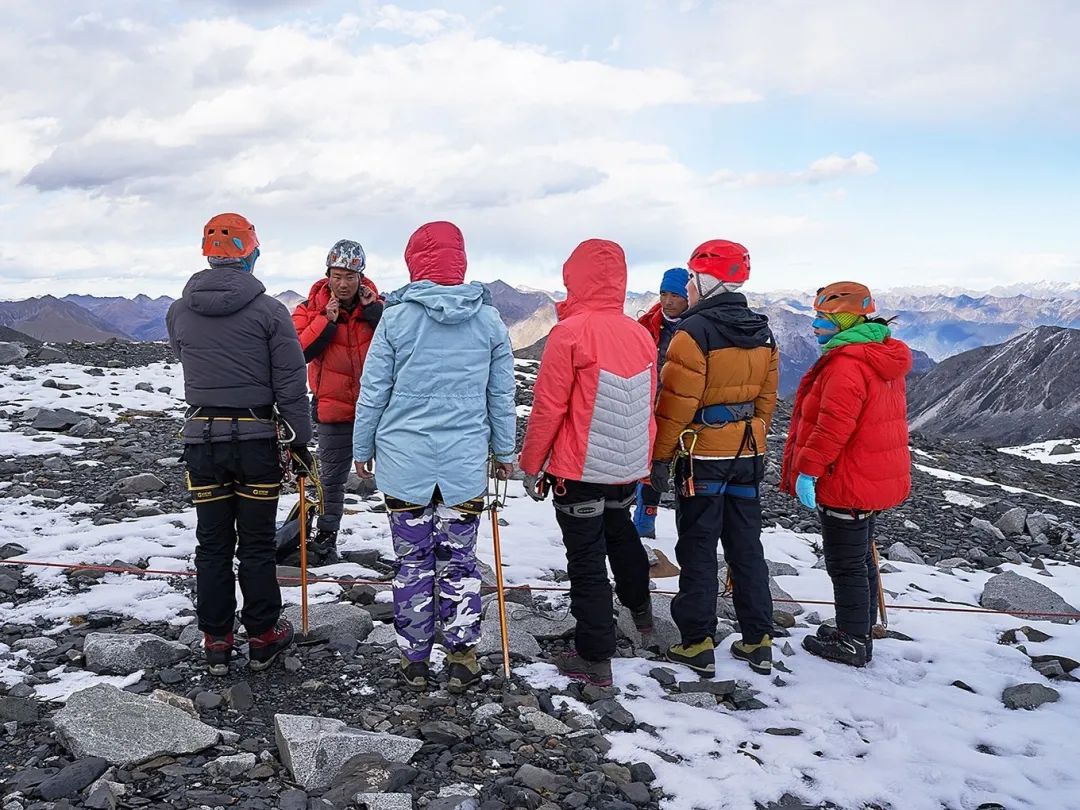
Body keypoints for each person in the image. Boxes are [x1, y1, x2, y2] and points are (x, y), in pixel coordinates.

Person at [352, 221, 516, 693]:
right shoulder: (487, 320)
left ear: (414, 261)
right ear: (459, 260)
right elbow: (499, 396)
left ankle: (415, 659)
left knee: (412, 562)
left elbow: (374, 391)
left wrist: (363, 449)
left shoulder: (397, 318)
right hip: (464, 466)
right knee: (461, 562)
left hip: (404, 463)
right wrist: (504, 451)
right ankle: (463, 656)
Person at [167, 212, 313, 675]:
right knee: (255, 543)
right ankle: (263, 637)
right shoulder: (270, 312)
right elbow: (290, 384)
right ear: (250, 250)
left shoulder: (178, 311)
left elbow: (186, 358)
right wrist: (300, 444)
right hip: (255, 443)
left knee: (211, 543)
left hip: (202, 440)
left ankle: (216, 640)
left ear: (207, 252)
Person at [519, 239, 657, 688]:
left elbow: (549, 408)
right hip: (626, 465)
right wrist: (643, 462)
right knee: (621, 538)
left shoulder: (570, 332)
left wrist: (532, 463)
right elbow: (648, 406)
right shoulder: (639, 332)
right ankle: (644, 618)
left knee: (586, 560)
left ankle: (595, 658)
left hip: (579, 470)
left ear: (574, 277)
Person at [651, 239, 778, 677]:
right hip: (748, 451)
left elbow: (675, 404)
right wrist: (754, 436)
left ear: (705, 280)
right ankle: (758, 638)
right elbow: (767, 398)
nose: (686, 286)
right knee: (746, 544)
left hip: (702, 455)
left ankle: (697, 641)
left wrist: (660, 459)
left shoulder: (693, 333)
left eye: (691, 278)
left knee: (699, 544)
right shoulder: (762, 330)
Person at [781, 281, 912, 667]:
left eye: (822, 318)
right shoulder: (878, 353)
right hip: (872, 474)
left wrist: (808, 471)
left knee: (845, 562)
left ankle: (852, 641)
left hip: (847, 478)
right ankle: (857, 628)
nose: (815, 325)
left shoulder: (846, 364)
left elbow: (832, 426)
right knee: (860, 557)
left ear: (844, 319)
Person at [292, 240, 383, 565]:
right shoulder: (308, 310)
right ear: (327, 275)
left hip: (382, 414)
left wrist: (375, 314)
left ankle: (409, 544)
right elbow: (298, 352)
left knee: (400, 477)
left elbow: (402, 346)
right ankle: (325, 542)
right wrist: (326, 322)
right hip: (334, 412)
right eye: (337, 276)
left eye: (350, 276)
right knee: (331, 480)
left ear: (361, 277)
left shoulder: (379, 309)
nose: (343, 284)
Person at [633, 267, 691, 539]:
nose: (668, 301)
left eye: (676, 295)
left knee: (684, 471)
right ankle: (644, 525)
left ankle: (689, 532)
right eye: (663, 293)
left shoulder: (698, 327)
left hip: (688, 412)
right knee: (648, 467)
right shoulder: (646, 325)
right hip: (649, 408)